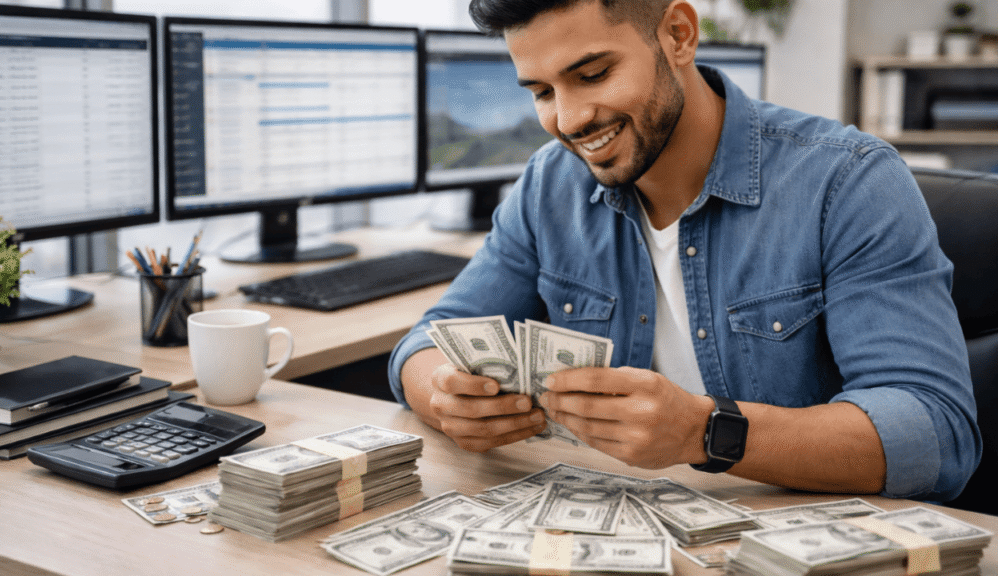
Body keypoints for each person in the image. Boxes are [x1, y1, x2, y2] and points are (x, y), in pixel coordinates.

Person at [388, 0, 980, 503]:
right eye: (542, 91)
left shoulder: (848, 182)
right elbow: (428, 339)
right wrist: (445, 394)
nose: (568, 120)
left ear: (678, 35)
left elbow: (934, 432)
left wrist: (705, 432)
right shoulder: (550, 184)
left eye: (593, 74)